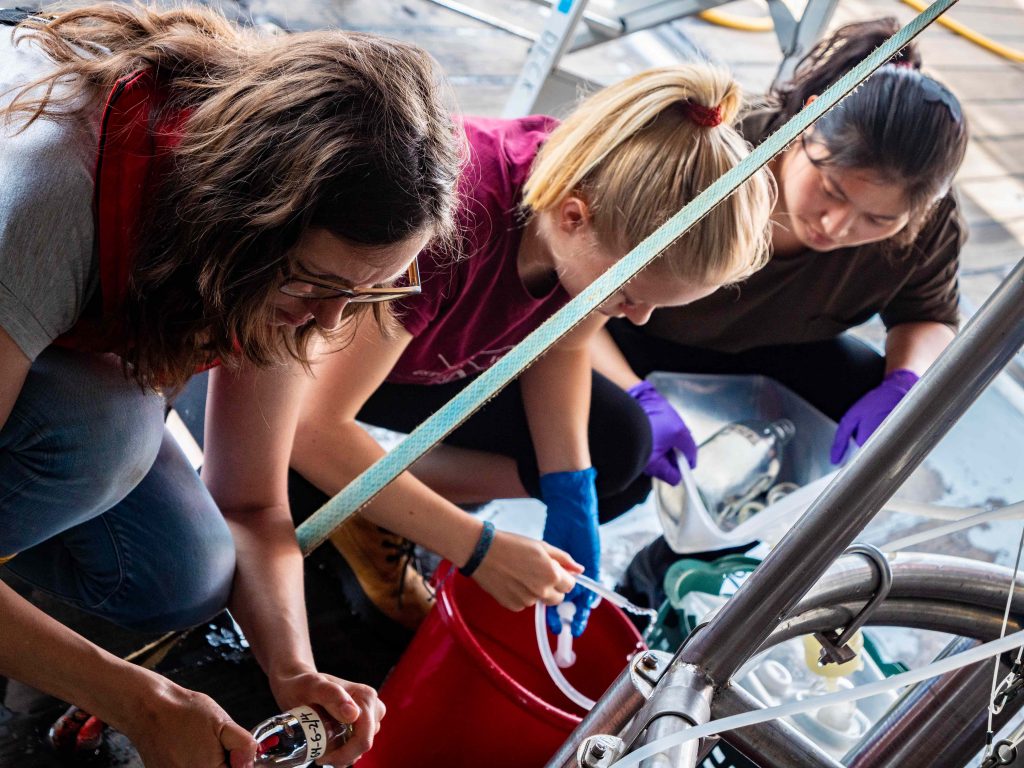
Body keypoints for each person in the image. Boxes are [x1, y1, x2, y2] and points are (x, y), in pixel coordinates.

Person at [0, 4, 462, 766]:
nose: (327, 322)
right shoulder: (44, 196)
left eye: (369, 290)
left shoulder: (304, 229)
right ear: (242, 223)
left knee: (181, 570)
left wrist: (294, 667)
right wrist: (133, 699)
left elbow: (250, 501)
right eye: (316, 284)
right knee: (99, 437)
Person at [290, 64, 775, 638]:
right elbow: (310, 426)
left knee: (617, 450)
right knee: (296, 479)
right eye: (627, 296)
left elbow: (560, 344)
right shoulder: (447, 222)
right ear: (574, 218)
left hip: (438, 355)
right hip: (323, 356)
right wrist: (474, 547)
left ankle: (380, 503)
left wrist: (571, 489)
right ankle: (346, 494)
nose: (637, 318)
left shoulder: (597, 204)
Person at [593, 18, 968, 478]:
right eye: (832, 190)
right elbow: (568, 287)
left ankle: (726, 541)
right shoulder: (713, 154)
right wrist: (635, 393)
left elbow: (927, 313)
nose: (837, 227)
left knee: (874, 398)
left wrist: (904, 383)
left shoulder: (929, 223)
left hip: (771, 347)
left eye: (879, 220)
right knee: (620, 453)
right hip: (632, 332)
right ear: (806, 123)